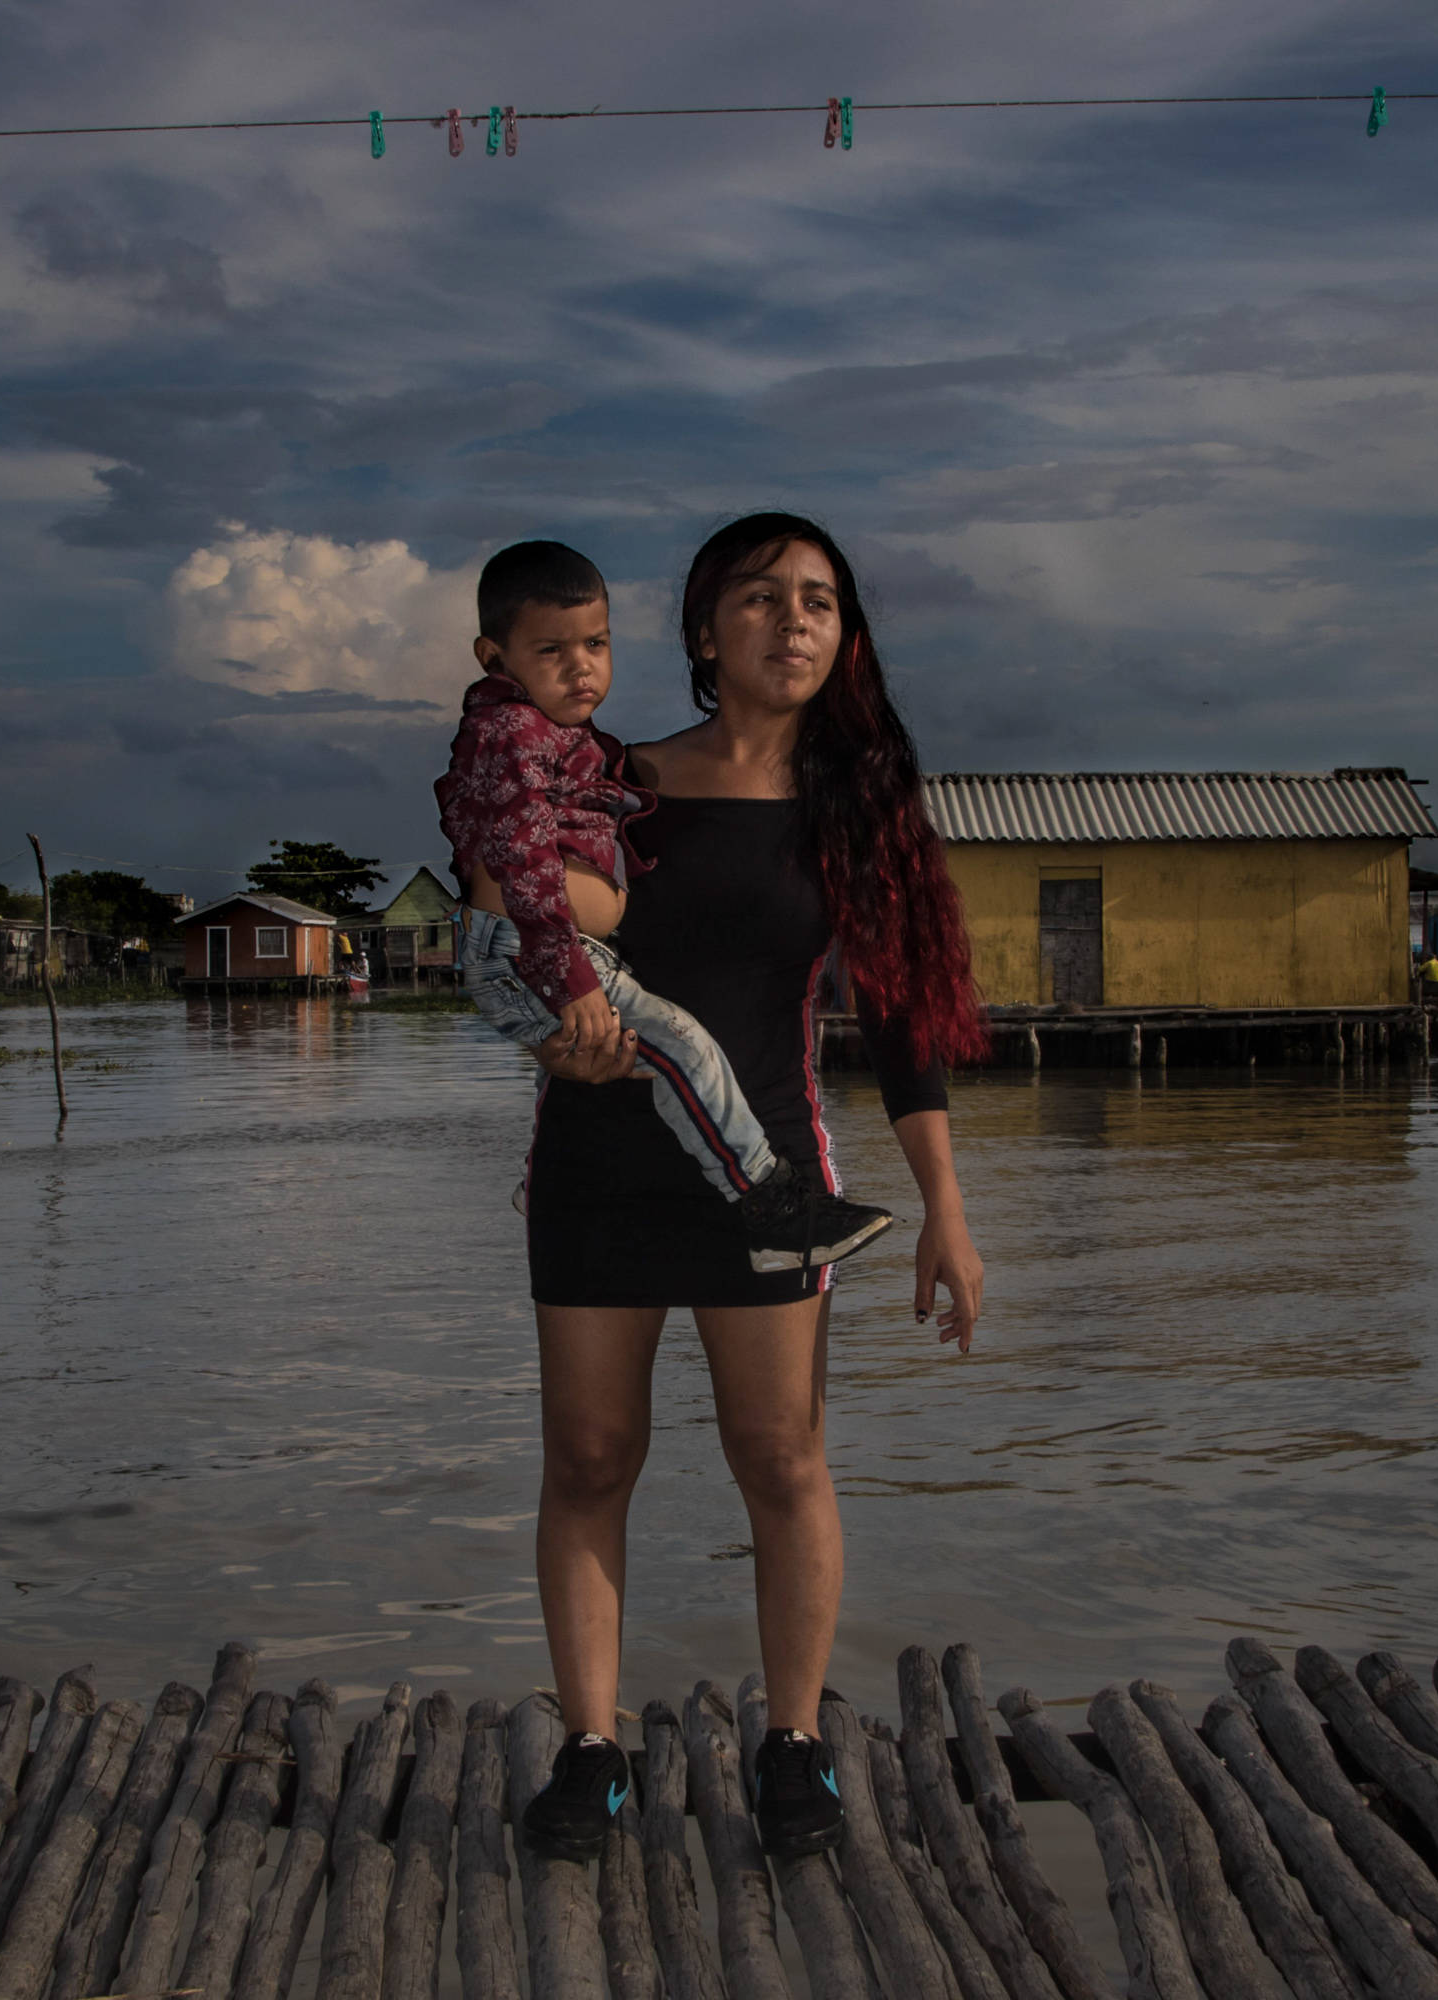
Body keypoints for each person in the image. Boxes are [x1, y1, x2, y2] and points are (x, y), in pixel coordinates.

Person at [510, 514, 987, 1864]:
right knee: (590, 1458)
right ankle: (595, 1749)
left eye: (821, 602)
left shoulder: (856, 816)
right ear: (705, 627)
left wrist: (941, 1201)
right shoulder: (612, 782)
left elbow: (899, 1020)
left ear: (846, 641)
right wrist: (544, 1015)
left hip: (772, 1179)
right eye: (764, 597)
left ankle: (793, 1744)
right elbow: (516, 922)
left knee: (780, 1460)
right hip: (599, 1163)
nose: (794, 621)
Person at [438, 540, 895, 1273]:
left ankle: (542, 1185)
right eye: (552, 650)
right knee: (685, 1046)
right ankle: (770, 1206)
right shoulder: (517, 733)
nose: (581, 667)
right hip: (544, 952)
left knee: (674, 1046)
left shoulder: (571, 740)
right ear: (494, 655)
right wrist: (572, 983)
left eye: (595, 644)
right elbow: (518, 873)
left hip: (551, 954)